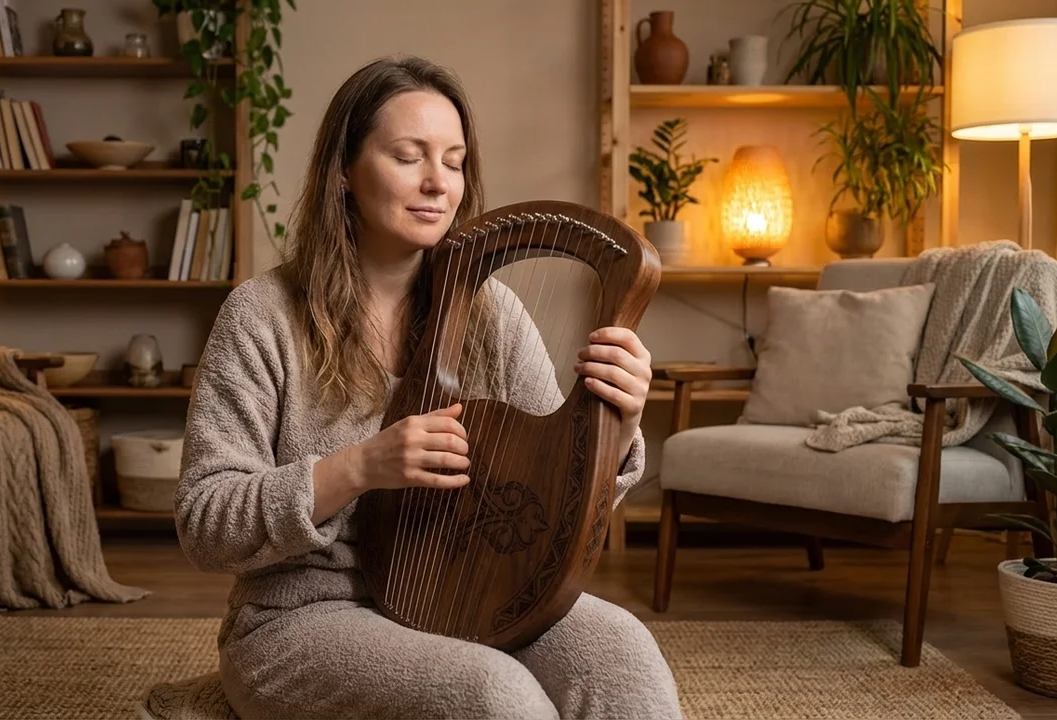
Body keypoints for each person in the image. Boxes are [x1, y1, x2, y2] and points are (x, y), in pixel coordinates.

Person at [175, 55, 683, 720]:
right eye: (408, 156)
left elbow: (555, 498)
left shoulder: (491, 312)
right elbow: (204, 524)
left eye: (453, 159)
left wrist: (616, 420)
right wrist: (360, 467)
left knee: (622, 654)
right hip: (300, 618)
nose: (437, 182)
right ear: (343, 174)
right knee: (496, 697)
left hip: (472, 597)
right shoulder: (262, 315)